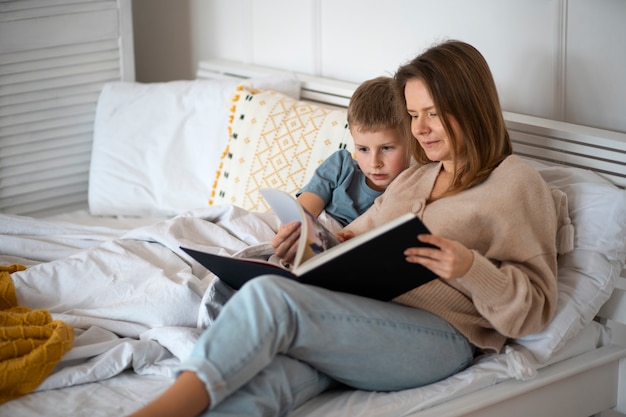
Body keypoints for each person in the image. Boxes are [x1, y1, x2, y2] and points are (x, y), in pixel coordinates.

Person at [128, 39, 560, 417]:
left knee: (270, 299)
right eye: (413, 115)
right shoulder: (415, 178)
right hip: (364, 319)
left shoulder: (517, 184)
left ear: (471, 106)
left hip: (442, 337)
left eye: (433, 113)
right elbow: (356, 238)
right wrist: (311, 240)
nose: (420, 130)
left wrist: (468, 266)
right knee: (270, 380)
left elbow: (535, 309)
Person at [296, 75, 411, 229]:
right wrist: (296, 228)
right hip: (310, 224)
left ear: (411, 141)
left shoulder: (408, 190)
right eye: (363, 149)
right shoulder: (341, 165)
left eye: (386, 148)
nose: (374, 163)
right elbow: (301, 214)